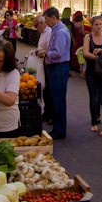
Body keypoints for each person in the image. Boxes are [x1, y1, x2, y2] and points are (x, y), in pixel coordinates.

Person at [37, 7, 71, 140]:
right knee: (56, 98)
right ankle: (58, 127)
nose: (46, 22)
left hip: (58, 68)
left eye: (46, 19)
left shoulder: (60, 32)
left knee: (58, 99)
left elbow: (58, 53)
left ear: (53, 17)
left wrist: (45, 53)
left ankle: (60, 130)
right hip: (56, 67)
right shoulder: (56, 30)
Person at [82, 15, 102, 136]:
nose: (99, 27)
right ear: (92, 26)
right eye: (96, 24)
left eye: (100, 24)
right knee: (93, 98)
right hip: (91, 72)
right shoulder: (88, 37)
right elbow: (85, 53)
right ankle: (94, 123)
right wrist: (97, 58)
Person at [33, 14, 53, 123]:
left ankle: (50, 114)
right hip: (42, 62)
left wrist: (41, 52)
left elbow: (50, 49)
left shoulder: (49, 32)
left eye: (36, 26)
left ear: (41, 23)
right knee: (44, 89)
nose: (36, 29)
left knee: (48, 90)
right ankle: (46, 113)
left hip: (48, 63)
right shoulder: (43, 33)